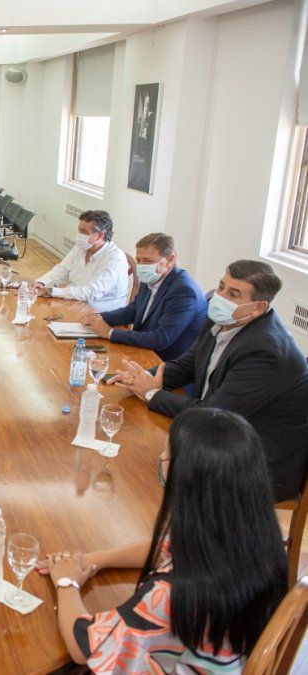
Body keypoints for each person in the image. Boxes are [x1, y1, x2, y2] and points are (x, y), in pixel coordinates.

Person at [38, 408, 287, 672]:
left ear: (187, 476)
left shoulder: (170, 595)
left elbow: (83, 647)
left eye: (166, 453)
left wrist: (66, 582)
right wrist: (94, 560)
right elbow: (167, 545)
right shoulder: (254, 539)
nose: (160, 458)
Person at [111, 259, 308, 500]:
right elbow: (188, 364)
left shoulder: (266, 352)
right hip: (216, 434)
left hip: (257, 462)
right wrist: (142, 378)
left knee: (140, 480)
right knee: (128, 451)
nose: (220, 296)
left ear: (258, 307)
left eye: (233, 293)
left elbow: (214, 412)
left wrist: (151, 393)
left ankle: (183, 535)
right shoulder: (223, 318)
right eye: (222, 286)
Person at [81, 233, 207, 361]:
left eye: (148, 261)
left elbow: (161, 339)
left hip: (164, 363)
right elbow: (133, 310)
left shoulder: (184, 291)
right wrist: (99, 318)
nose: (141, 266)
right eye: (138, 260)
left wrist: (110, 333)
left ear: (170, 260)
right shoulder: (152, 277)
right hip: (141, 349)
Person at [34, 210, 129, 312]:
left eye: (84, 232)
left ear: (100, 235)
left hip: (99, 312)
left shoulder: (115, 259)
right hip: (73, 302)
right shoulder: (81, 247)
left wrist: (51, 292)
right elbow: (63, 269)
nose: (79, 235)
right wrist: (42, 283)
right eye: (79, 230)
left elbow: (91, 292)